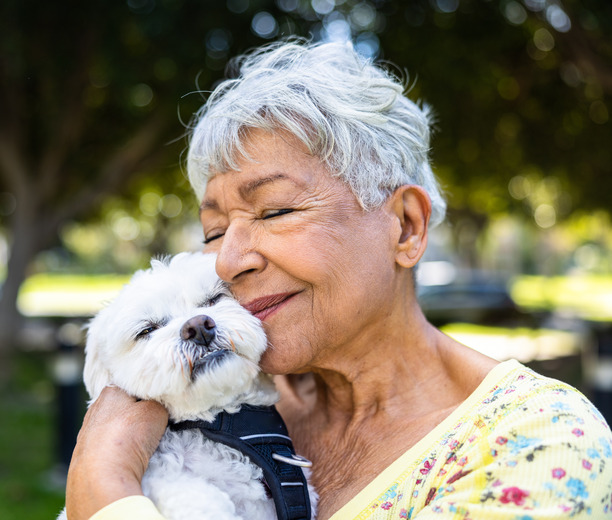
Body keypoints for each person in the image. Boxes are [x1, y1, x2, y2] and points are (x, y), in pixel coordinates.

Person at [65, 40, 612, 519]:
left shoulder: (536, 447)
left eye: (275, 211)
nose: (229, 260)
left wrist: (102, 483)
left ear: (405, 226)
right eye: (213, 231)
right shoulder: (229, 400)